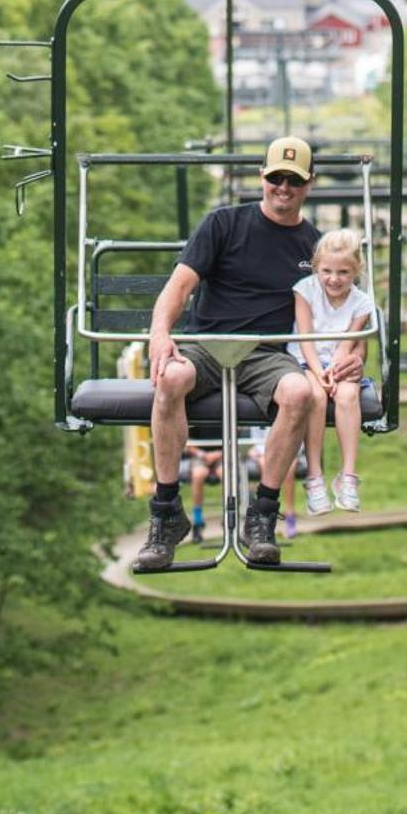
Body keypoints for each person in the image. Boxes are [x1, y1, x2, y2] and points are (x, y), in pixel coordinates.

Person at [132, 135, 320, 572]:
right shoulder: (223, 225)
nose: (283, 189)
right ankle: (166, 514)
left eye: (294, 180)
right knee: (170, 378)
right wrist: (160, 334)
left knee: (298, 394)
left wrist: (350, 352)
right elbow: (178, 288)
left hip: (265, 353)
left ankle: (263, 514)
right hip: (208, 345)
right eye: (276, 178)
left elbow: (340, 305)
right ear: (261, 178)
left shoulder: (314, 245)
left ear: (309, 184)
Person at [290, 228, 374, 514]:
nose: (334, 279)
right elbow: (305, 338)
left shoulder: (362, 303)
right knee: (314, 396)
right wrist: (319, 372)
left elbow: (347, 344)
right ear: (317, 267)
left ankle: (347, 477)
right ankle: (314, 476)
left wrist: (335, 371)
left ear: (356, 271)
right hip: (306, 358)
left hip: (338, 361)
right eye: (327, 271)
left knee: (348, 396)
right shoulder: (305, 290)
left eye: (343, 272)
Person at [184, 442, 223, 543]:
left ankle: (228, 515)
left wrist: (218, 454)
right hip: (199, 456)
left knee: (225, 473)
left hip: (224, 454)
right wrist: (203, 454)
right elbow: (186, 443)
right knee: (198, 475)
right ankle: (198, 521)